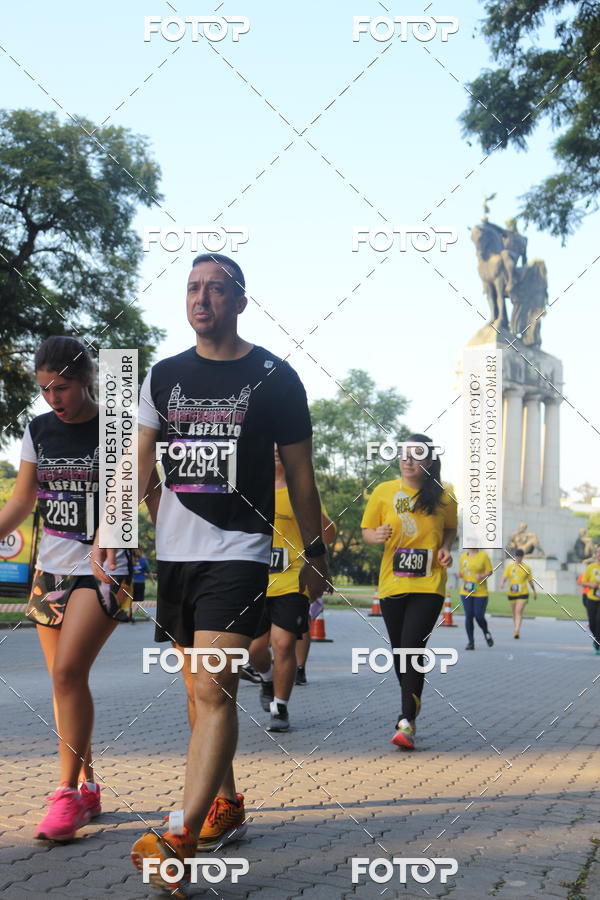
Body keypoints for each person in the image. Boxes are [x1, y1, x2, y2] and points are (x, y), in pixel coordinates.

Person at [95, 253, 329, 896]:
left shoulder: (275, 377)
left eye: (216, 289)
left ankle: (181, 836)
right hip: (177, 553)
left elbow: (301, 474)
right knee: (197, 691)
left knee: (213, 687)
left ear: (241, 301)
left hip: (240, 549)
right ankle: (226, 802)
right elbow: (137, 462)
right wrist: (112, 530)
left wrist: (315, 550)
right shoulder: (163, 375)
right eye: (193, 288)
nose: (202, 298)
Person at [0, 337, 132, 841]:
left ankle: (65, 795)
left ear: (87, 380)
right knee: (64, 684)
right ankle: (88, 785)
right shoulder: (38, 430)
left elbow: (136, 492)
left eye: (63, 387)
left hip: (104, 567)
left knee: (68, 671)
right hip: (51, 567)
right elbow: (21, 500)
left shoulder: (116, 427)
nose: (54, 398)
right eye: (45, 389)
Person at [361, 434, 457, 750]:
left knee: (412, 647)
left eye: (416, 455)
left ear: (429, 461)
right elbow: (367, 531)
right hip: (392, 583)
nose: (407, 460)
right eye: (404, 454)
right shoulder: (383, 491)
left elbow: (450, 529)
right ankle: (411, 707)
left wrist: (445, 548)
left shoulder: (444, 494)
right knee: (399, 652)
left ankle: (406, 721)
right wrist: (376, 535)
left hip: (429, 584)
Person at [249, 446, 335, 731]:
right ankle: (266, 679)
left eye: (279, 448)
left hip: (293, 580)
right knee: (254, 650)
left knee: (284, 643)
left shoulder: (301, 491)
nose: (274, 452)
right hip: (255, 580)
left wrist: (314, 523)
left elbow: (329, 533)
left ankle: (280, 708)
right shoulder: (252, 486)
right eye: (270, 447)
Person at [458, 548, 494, 650]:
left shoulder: (483, 555)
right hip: (466, 591)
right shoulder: (463, 556)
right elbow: (461, 572)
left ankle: (486, 632)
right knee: (469, 615)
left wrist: (482, 575)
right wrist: (460, 574)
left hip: (480, 592)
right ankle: (471, 642)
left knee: (479, 616)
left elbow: (490, 571)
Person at [500, 549, 537, 638]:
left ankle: (517, 631)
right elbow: (505, 577)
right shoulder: (510, 567)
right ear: (515, 556)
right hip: (512, 593)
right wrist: (502, 583)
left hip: (523, 593)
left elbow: (530, 581)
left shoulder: (527, 568)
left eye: (520, 556)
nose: (518, 558)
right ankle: (516, 628)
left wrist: (534, 591)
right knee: (514, 613)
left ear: (522, 557)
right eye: (517, 556)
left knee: (518, 611)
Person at [581, 547, 600, 654]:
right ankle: (597, 639)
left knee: (599, 621)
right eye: (598, 552)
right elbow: (583, 582)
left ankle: (598, 642)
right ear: (596, 554)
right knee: (592, 623)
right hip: (591, 598)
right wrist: (591, 584)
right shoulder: (591, 567)